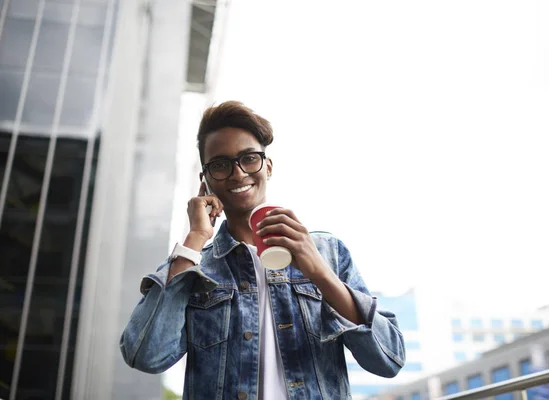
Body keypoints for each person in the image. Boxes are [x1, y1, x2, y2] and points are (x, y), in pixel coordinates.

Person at [120, 101, 406, 399]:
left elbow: (389, 358)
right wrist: (195, 236)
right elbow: (145, 354)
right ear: (205, 181)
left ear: (267, 166)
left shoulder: (327, 251)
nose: (238, 173)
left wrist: (319, 272)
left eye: (249, 158)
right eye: (220, 164)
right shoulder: (194, 267)